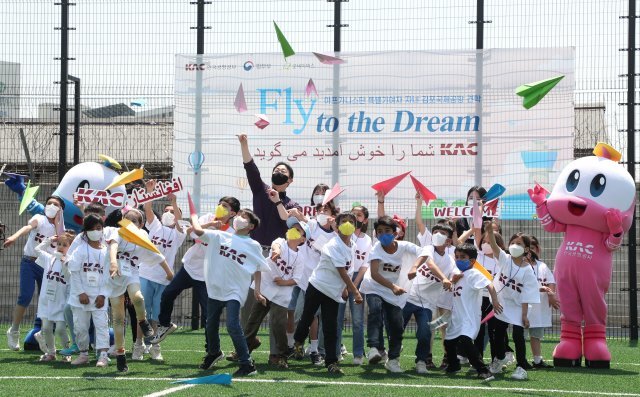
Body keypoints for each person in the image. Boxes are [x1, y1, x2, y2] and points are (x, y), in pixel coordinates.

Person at [360, 216, 450, 373]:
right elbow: (374, 274)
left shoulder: (405, 246)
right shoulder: (376, 249)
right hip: (375, 286)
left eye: (387, 231)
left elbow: (425, 252)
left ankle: (393, 359)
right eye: (379, 232)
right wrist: (392, 286)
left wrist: (414, 267)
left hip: (398, 294)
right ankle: (374, 348)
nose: (383, 235)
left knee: (397, 327)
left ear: (395, 233)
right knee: (375, 310)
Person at [151, 196, 239, 346]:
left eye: (225, 206)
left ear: (232, 213)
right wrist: (210, 224)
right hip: (189, 267)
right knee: (168, 294)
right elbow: (191, 232)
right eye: (220, 204)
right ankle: (165, 325)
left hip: (207, 276)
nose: (220, 207)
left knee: (208, 314)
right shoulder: (208, 218)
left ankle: (211, 349)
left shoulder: (231, 233)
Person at [190, 208, 268, 377]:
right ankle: (214, 353)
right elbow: (197, 231)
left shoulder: (253, 245)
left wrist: (258, 291)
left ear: (251, 226)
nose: (239, 218)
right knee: (210, 324)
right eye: (238, 215)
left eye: (244, 217)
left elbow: (258, 267)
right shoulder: (220, 235)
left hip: (235, 290)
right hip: (216, 288)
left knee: (232, 324)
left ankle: (247, 363)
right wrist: (194, 217)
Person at [230, 217, 310, 369]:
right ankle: (243, 349)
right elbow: (276, 244)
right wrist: (277, 250)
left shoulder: (300, 258)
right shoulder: (281, 242)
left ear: (303, 239)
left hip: (282, 294)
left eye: (299, 230)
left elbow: (297, 280)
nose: (294, 231)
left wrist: (283, 282)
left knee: (278, 323)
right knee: (253, 319)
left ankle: (282, 355)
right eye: (293, 227)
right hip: (265, 287)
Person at [293, 212, 363, 374]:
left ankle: (331, 362)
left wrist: (345, 289)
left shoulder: (352, 245)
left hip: (332, 292)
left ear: (355, 226)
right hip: (317, 286)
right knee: (307, 317)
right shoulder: (332, 244)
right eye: (343, 221)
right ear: (336, 227)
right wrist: (355, 291)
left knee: (331, 326)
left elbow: (349, 268)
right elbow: (341, 271)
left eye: (351, 221)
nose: (347, 224)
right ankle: (298, 341)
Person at [107, 208, 173, 372]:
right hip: (115, 275)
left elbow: (156, 254)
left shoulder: (142, 236)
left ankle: (143, 322)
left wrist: (169, 273)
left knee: (138, 298)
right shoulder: (118, 232)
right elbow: (113, 246)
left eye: (134, 221)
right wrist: (113, 262)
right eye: (127, 220)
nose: (130, 223)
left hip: (132, 273)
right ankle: (121, 354)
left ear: (141, 224)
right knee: (118, 317)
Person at [4, 195, 65, 350]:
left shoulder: (60, 228)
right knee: (25, 296)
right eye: (49, 203)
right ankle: (14, 330)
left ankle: (43, 335)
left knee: (48, 299)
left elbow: (61, 243)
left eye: (55, 204)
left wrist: (58, 223)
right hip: (29, 262)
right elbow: (28, 227)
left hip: (47, 266)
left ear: (61, 210)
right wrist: (14, 237)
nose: (51, 206)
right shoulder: (40, 218)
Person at [485, 222, 540, 380]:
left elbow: (526, 296)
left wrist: (524, 315)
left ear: (527, 249)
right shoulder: (505, 259)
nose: (515, 246)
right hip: (502, 303)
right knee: (498, 333)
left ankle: (521, 367)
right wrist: (489, 232)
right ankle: (499, 359)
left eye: (519, 244)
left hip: (518, 307)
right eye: (513, 243)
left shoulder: (528, 271)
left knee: (517, 336)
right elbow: (495, 247)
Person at [138, 183, 185, 361]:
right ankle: (139, 344)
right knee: (142, 313)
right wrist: (150, 192)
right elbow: (147, 207)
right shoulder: (155, 225)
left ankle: (154, 346)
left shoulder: (179, 234)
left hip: (165, 278)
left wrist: (174, 200)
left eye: (172, 211)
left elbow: (180, 222)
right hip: (145, 274)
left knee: (156, 315)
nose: (169, 213)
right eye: (166, 210)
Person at [443, 243, 502, 381]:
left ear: (472, 261)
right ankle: (454, 365)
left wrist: (494, 301)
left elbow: (490, 284)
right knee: (449, 343)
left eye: (462, 257)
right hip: (457, 318)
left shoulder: (474, 273)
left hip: (469, 318)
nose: (458, 260)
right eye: (456, 257)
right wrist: (452, 281)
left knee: (465, 341)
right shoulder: (458, 275)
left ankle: (483, 370)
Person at [404, 223, 457, 373]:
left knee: (426, 332)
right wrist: (414, 268)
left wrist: (453, 279)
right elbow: (430, 263)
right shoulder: (428, 248)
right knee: (397, 328)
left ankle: (422, 361)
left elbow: (455, 273)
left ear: (448, 241)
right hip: (410, 297)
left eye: (442, 233)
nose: (437, 235)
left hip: (428, 303)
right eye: (435, 232)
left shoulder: (451, 261)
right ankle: (392, 357)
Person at [67, 214, 111, 367]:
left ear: (102, 230)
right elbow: (74, 271)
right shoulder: (80, 250)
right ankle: (83, 354)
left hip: (99, 297)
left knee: (101, 325)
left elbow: (107, 275)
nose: (95, 231)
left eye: (98, 228)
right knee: (80, 327)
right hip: (80, 297)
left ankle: (103, 355)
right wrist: (80, 293)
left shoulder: (107, 251)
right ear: (85, 231)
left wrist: (102, 294)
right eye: (91, 229)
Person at [335, 204, 371, 365]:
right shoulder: (339, 237)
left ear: (364, 220)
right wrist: (345, 285)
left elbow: (364, 265)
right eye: (353, 214)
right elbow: (341, 266)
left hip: (357, 279)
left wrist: (353, 286)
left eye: (359, 215)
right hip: (340, 277)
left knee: (357, 320)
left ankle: (358, 353)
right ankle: (335, 352)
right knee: (337, 318)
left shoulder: (367, 239)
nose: (355, 218)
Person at [32, 232, 75, 362]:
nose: (60, 247)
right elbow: (37, 249)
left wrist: (64, 263)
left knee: (61, 329)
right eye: (59, 244)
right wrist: (49, 239)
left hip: (61, 302)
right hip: (47, 300)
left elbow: (69, 278)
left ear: (71, 247)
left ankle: (66, 353)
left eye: (64, 245)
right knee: (46, 328)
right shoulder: (49, 258)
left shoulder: (71, 262)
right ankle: (51, 353)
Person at [526, 235, 559, 368]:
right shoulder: (520, 266)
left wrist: (551, 295)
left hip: (539, 308)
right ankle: (521, 361)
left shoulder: (542, 266)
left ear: (537, 249)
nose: (529, 251)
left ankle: (537, 360)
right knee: (520, 336)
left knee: (536, 335)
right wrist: (542, 289)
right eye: (527, 248)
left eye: (532, 248)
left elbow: (551, 282)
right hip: (524, 307)